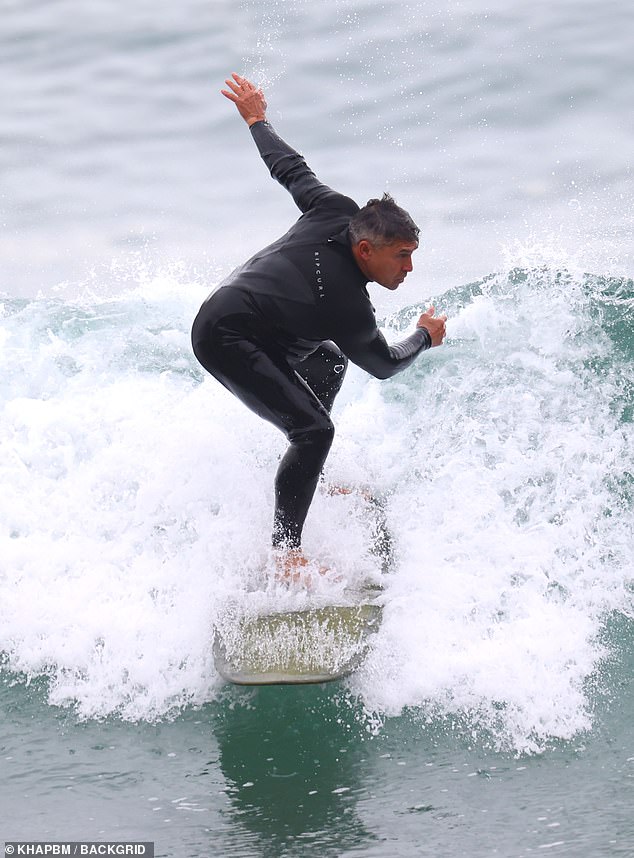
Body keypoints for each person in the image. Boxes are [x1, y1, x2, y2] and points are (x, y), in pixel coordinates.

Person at [191, 73, 447, 580]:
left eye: (413, 256)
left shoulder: (336, 210)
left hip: (255, 321)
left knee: (328, 362)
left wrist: (256, 119)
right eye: (401, 257)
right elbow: (383, 365)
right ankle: (285, 553)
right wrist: (425, 336)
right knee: (314, 431)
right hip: (224, 334)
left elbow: (290, 168)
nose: (408, 269)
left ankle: (308, 472)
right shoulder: (346, 304)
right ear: (366, 250)